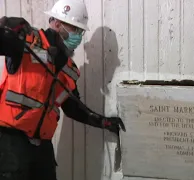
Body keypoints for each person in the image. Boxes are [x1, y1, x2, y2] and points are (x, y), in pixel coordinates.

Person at [0, 0, 125, 179]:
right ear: (57, 23)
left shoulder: (69, 69)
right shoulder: (26, 42)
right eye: (75, 29)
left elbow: (73, 108)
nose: (79, 36)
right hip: (11, 143)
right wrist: (5, 25)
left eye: (81, 31)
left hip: (43, 148)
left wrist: (104, 122)